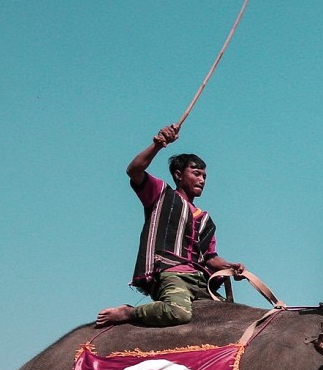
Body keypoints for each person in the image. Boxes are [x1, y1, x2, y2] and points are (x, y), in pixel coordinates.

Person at [96, 124, 246, 328]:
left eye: (204, 176)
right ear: (178, 175)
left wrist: (231, 266)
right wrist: (158, 144)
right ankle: (129, 312)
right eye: (196, 173)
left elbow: (210, 258)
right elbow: (134, 170)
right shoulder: (161, 194)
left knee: (233, 321)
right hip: (171, 274)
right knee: (178, 313)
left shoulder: (206, 220)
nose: (201, 180)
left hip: (200, 281)